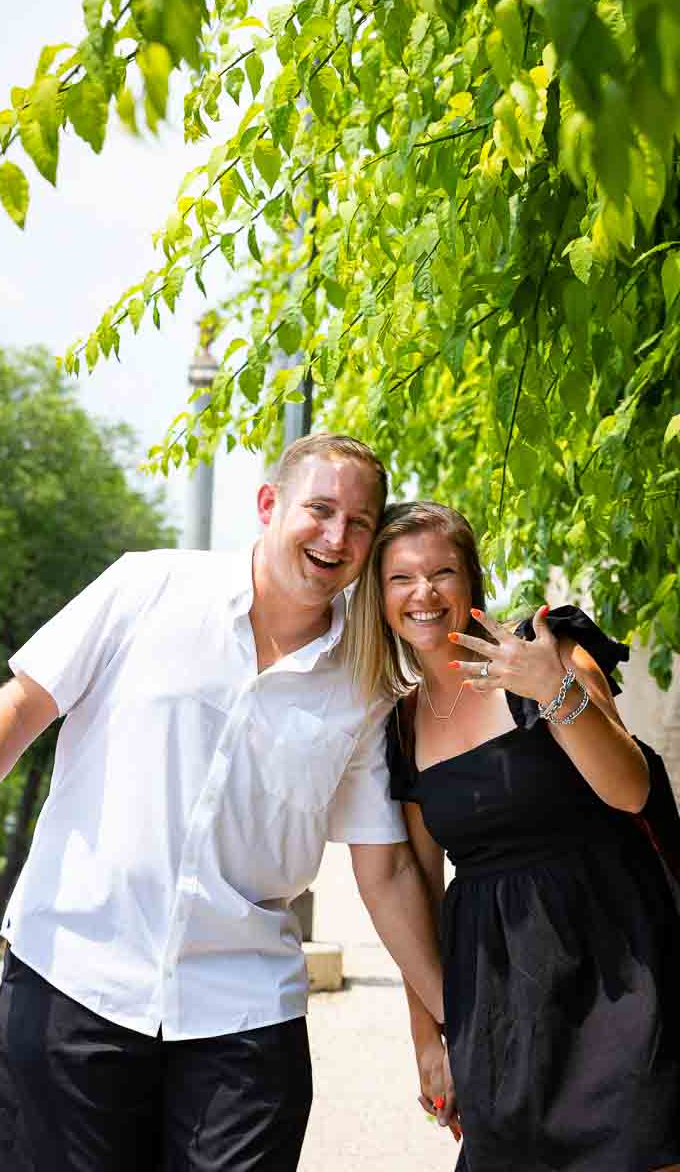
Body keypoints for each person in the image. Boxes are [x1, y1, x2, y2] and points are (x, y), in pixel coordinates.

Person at [0, 435, 447, 1172]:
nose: (337, 536)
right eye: (320, 508)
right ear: (269, 505)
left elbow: (388, 873)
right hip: (73, 984)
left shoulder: (363, 684)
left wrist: (446, 1022)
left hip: (245, 1021)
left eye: (361, 522)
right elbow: (21, 707)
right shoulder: (146, 588)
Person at [347, 499, 680, 1171]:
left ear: (471, 580)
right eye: (401, 578)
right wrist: (428, 1036)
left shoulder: (546, 655)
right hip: (500, 994)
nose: (424, 593)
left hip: (618, 962)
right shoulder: (402, 725)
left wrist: (555, 690)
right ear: (378, 599)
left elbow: (630, 789)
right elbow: (418, 883)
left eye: (443, 571)